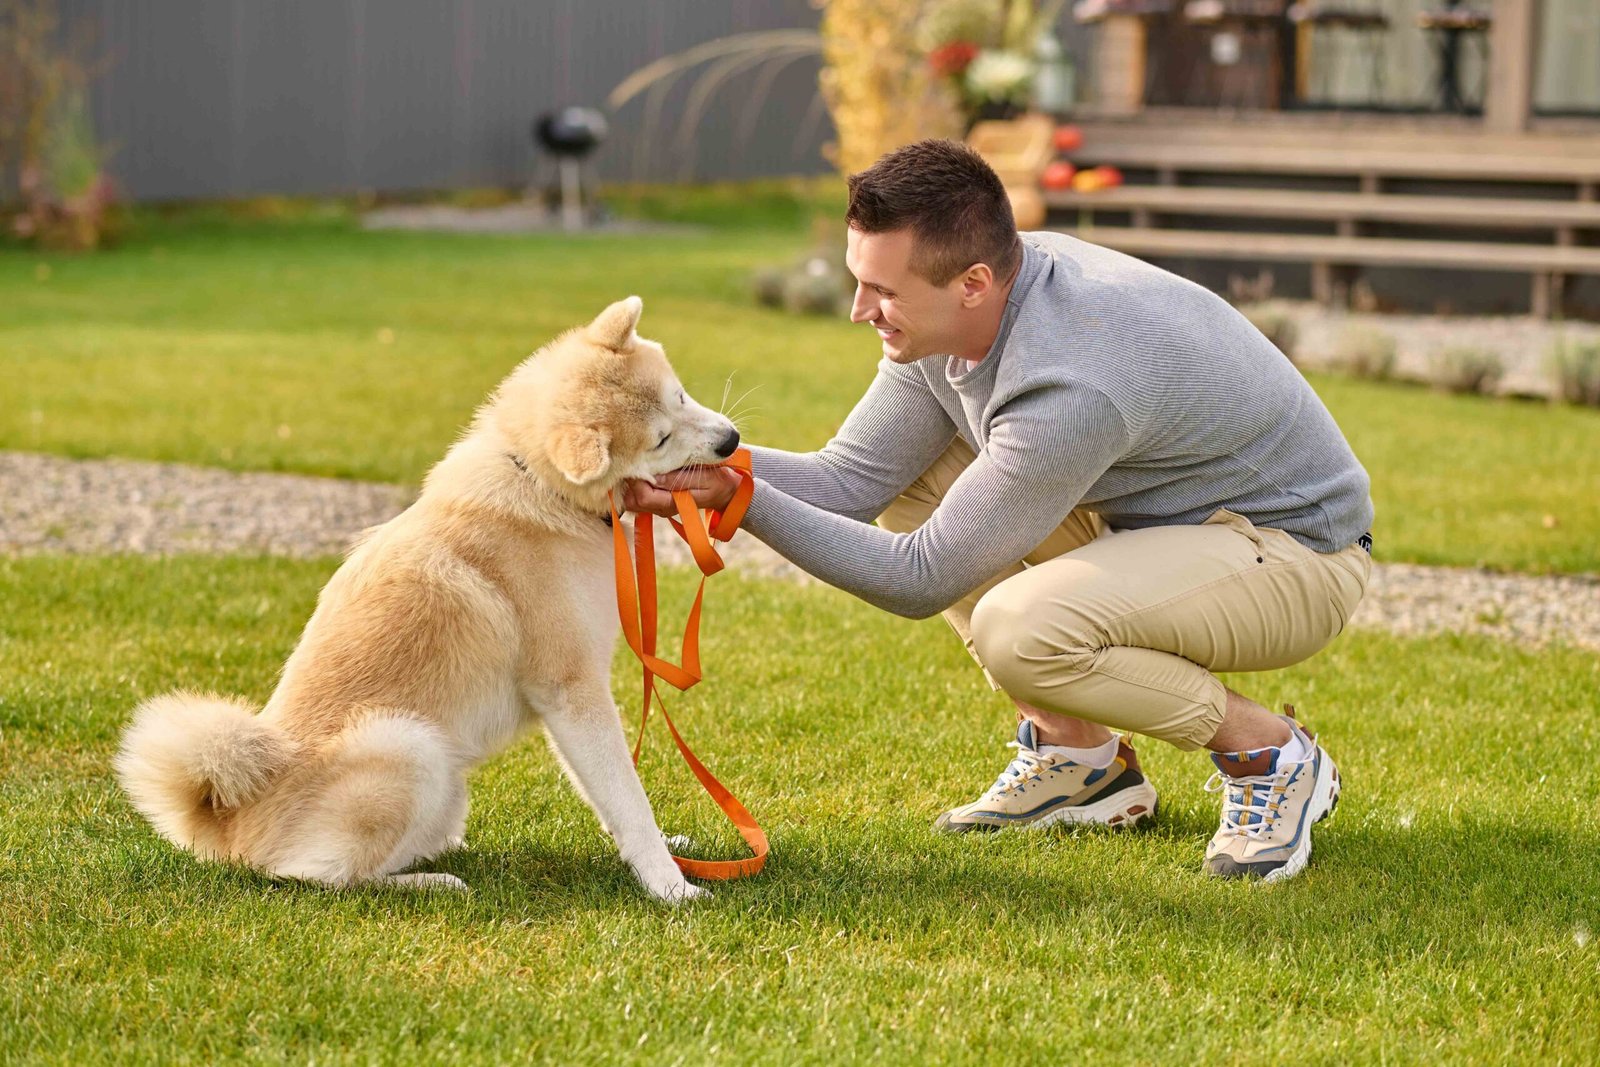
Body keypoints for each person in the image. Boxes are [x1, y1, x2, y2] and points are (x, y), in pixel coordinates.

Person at [625, 139, 1373, 882]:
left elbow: (918, 578)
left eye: (883, 290)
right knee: (926, 475)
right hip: (1168, 528)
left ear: (973, 282)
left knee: (1025, 630)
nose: (860, 311)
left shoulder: (1071, 382)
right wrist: (679, 460)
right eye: (861, 281)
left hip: (1295, 557)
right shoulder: (961, 314)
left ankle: (1273, 755)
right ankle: (1080, 760)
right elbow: (849, 479)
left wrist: (738, 498)